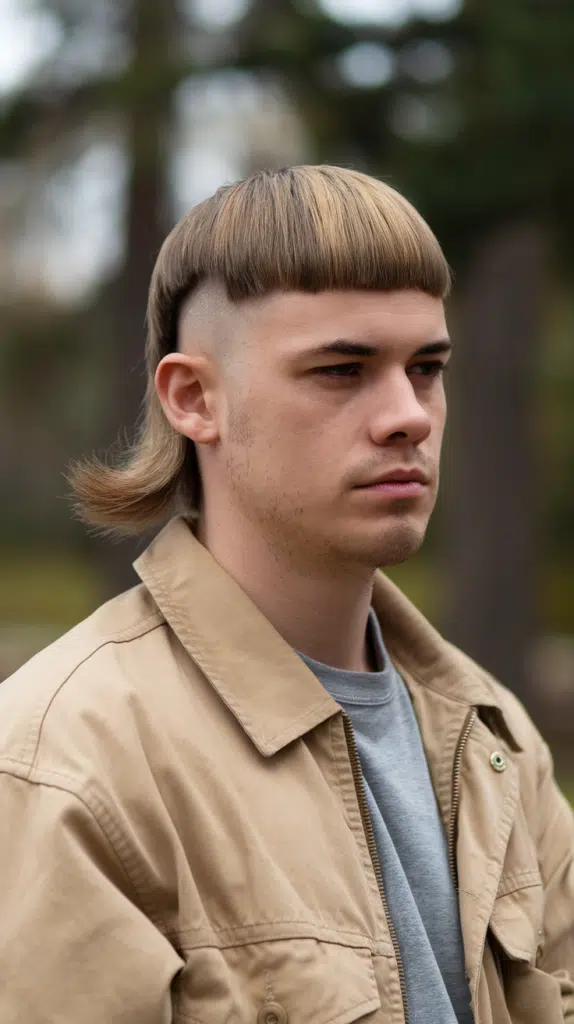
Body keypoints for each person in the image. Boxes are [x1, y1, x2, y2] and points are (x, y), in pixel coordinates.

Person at [0, 165, 572, 1024]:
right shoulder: (70, 763)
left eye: (426, 368)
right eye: (343, 370)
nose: (407, 415)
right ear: (195, 398)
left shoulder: (490, 737)